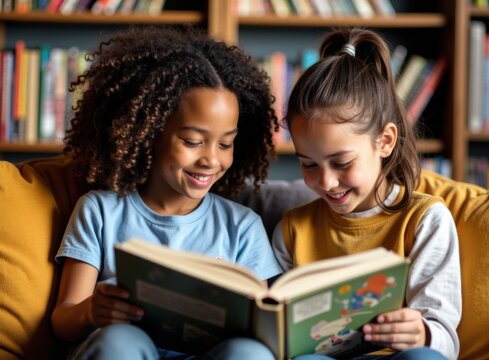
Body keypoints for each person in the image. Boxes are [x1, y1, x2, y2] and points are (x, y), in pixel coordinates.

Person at [51, 25, 282, 360]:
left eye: (226, 143)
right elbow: (63, 320)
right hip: (123, 349)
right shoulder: (100, 211)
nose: (211, 160)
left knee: (250, 352)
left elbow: (267, 324)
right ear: (149, 133)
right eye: (192, 141)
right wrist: (90, 311)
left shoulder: (242, 226)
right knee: (121, 342)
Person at [271, 28, 461, 360]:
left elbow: (445, 336)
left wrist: (422, 332)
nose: (327, 182)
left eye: (341, 162)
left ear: (385, 141)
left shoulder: (425, 220)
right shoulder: (292, 231)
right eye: (309, 164)